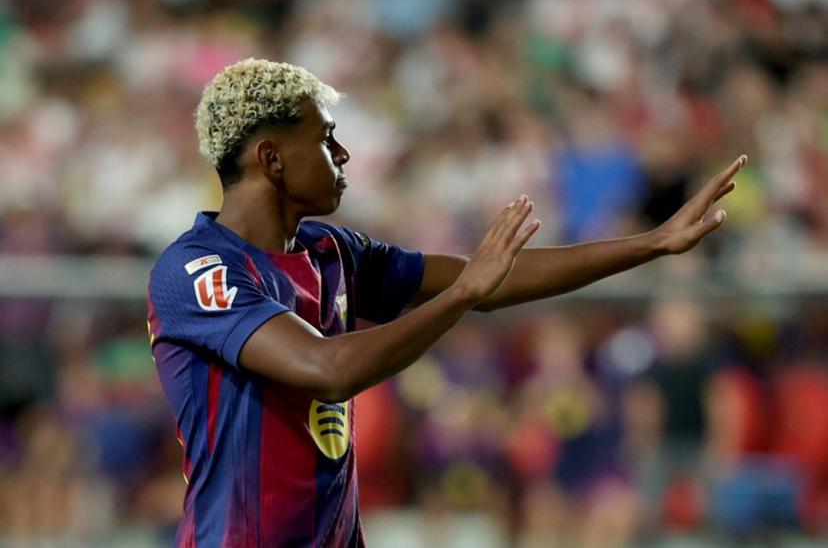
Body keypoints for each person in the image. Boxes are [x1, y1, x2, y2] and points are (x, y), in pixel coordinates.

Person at [146, 58, 745, 547]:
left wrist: (651, 243)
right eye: (326, 139)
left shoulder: (333, 251)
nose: (343, 154)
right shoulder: (196, 269)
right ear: (271, 158)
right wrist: (462, 296)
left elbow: (489, 280)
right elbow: (328, 369)